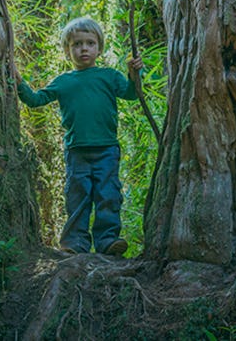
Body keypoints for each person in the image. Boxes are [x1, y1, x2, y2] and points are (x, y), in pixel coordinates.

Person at [13, 17, 143, 256]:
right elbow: (35, 100)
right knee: (77, 198)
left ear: (99, 48)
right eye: (77, 44)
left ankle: (107, 241)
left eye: (90, 43)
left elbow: (132, 94)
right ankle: (75, 243)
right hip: (77, 151)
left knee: (108, 195)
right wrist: (20, 83)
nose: (84, 48)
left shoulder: (109, 76)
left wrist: (134, 73)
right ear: (67, 50)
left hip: (107, 149)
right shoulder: (64, 82)